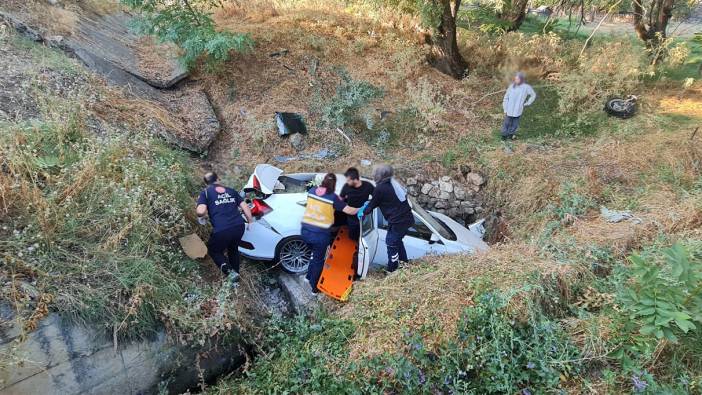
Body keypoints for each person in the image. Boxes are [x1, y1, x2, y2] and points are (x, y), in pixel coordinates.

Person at [301, 173, 359, 294]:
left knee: (313, 256)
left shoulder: (312, 191)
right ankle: (314, 289)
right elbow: (349, 211)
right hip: (319, 235)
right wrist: (362, 207)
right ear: (334, 185)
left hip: (305, 232)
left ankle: (307, 278)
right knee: (318, 260)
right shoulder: (333, 197)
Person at [196, 172, 253, 282]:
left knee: (214, 251)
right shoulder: (231, 191)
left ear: (206, 183)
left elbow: (201, 211)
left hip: (222, 229)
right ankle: (236, 277)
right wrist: (250, 222)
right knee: (233, 249)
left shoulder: (206, 193)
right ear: (218, 178)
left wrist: (201, 210)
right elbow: (244, 206)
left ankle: (230, 272)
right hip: (239, 226)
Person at [360, 164, 414, 272]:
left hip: (398, 221)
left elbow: (372, 205)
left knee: (391, 243)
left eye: (375, 173)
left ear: (380, 175)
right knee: (397, 241)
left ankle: (392, 270)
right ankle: (404, 263)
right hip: (406, 218)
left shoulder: (380, 188)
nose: (373, 175)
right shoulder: (392, 183)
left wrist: (361, 211)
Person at [340, 167, 374, 241]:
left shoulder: (368, 186)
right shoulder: (346, 187)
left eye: (348, 180)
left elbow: (376, 197)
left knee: (361, 234)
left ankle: (359, 243)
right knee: (352, 235)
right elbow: (341, 199)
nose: (347, 182)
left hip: (363, 216)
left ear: (355, 180)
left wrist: (369, 205)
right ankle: (353, 241)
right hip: (351, 216)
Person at [501, 71, 536, 141]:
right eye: (515, 79)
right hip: (509, 110)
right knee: (507, 123)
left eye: (518, 79)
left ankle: (510, 135)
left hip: (518, 110)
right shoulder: (511, 87)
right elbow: (506, 97)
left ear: (521, 79)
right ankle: (504, 137)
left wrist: (527, 103)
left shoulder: (526, 87)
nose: (516, 80)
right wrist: (505, 108)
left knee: (515, 124)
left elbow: (533, 95)